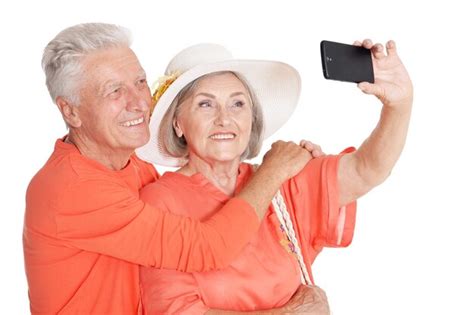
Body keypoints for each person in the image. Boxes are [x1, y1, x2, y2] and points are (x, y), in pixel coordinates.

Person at [22, 23, 317, 314]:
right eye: (114, 91)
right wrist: (273, 170)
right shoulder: (73, 190)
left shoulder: (135, 167)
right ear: (70, 111)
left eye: (139, 82)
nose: (139, 103)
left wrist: (291, 168)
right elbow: (210, 247)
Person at [137, 40, 413, 314]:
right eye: (206, 105)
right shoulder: (161, 202)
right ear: (178, 123)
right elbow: (175, 311)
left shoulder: (284, 181)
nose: (225, 119)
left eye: (237, 104)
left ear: (251, 119)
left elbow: (366, 169)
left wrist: (399, 104)